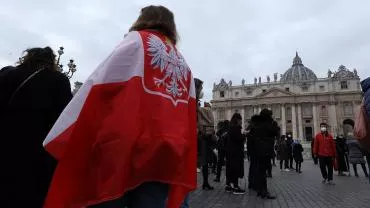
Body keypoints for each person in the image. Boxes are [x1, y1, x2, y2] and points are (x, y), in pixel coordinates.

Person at [43, 6, 197, 208]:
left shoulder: (137, 41)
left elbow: (99, 85)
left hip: (126, 148)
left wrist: (65, 129)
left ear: (143, 20)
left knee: (108, 199)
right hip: (165, 153)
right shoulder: (183, 62)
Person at [0, 47, 72, 207]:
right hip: (37, 151)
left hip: (4, 143)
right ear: (51, 61)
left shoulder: (7, 74)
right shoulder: (58, 80)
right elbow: (64, 117)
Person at [249, 109, 279, 199]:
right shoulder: (267, 124)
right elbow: (276, 132)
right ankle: (264, 191)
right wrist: (274, 122)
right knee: (263, 172)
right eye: (270, 115)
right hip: (265, 150)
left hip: (257, 150)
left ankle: (260, 190)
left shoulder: (256, 124)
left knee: (259, 171)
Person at [225, 113, 246, 195]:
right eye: (240, 120)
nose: (241, 121)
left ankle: (228, 186)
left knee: (230, 169)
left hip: (230, 152)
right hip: (235, 152)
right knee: (235, 169)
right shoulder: (236, 128)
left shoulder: (230, 127)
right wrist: (244, 135)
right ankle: (236, 188)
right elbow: (238, 138)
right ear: (237, 120)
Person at [198, 100, 217, 190]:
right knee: (205, 163)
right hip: (205, 141)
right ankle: (205, 182)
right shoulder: (206, 114)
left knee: (205, 164)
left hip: (204, 140)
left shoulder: (200, 113)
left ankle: (205, 182)